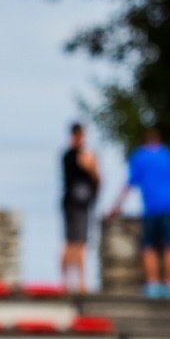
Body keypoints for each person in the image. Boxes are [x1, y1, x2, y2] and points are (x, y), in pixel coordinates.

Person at [108, 127, 170, 298]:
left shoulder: (140, 156)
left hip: (152, 207)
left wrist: (116, 206)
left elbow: (129, 184)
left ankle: (153, 285)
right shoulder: (168, 154)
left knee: (148, 246)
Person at [60, 123, 101, 293]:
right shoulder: (83, 155)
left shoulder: (66, 155)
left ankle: (65, 281)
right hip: (80, 203)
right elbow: (97, 178)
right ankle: (80, 281)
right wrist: (92, 167)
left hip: (69, 201)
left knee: (69, 242)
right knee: (79, 243)